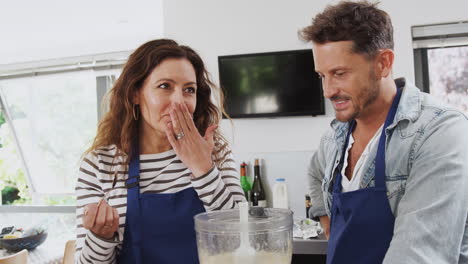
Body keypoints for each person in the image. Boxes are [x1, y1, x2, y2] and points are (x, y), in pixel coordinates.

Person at [302, 1, 468, 263]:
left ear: (383, 63)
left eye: (340, 73)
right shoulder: (336, 136)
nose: (328, 90)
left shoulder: (439, 132)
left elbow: (419, 255)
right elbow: (314, 171)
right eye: (322, 76)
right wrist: (325, 219)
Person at [75, 39, 246, 264]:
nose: (180, 101)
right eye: (165, 86)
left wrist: (203, 168)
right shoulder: (100, 164)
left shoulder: (216, 152)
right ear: (135, 93)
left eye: (189, 90)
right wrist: (101, 236)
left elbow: (242, 240)